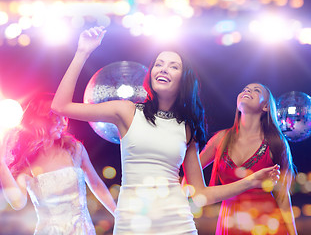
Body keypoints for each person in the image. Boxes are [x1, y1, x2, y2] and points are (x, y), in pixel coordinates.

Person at [51, 26, 280, 235]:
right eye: (159, 63)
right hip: (132, 225)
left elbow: (200, 195)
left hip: (179, 225)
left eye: (173, 66)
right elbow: (60, 106)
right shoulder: (127, 111)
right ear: (151, 73)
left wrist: (250, 181)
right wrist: (82, 52)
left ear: (184, 79)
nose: (164, 69)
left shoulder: (187, 127)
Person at [0, 94, 116, 235]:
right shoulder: (26, 163)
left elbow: (97, 185)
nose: (63, 122)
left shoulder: (74, 149)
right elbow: (18, 203)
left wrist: (119, 215)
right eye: (55, 117)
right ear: (39, 120)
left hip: (83, 230)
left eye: (63, 116)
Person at [200, 83, 297, 234]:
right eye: (245, 89)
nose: (247, 91)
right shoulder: (220, 139)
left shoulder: (276, 142)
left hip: (268, 227)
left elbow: (283, 197)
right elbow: (190, 168)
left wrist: (293, 233)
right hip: (229, 226)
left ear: (265, 107)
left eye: (256, 90)